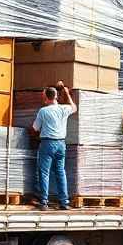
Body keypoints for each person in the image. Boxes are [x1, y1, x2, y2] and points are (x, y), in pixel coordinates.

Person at [31, 83, 77, 211]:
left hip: (47, 143)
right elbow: (74, 107)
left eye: (43, 96)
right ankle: (64, 201)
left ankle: (44, 201)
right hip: (61, 144)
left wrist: (33, 136)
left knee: (44, 172)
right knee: (60, 172)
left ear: (46, 97)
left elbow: (35, 128)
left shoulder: (43, 111)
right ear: (56, 97)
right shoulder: (64, 109)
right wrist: (66, 92)